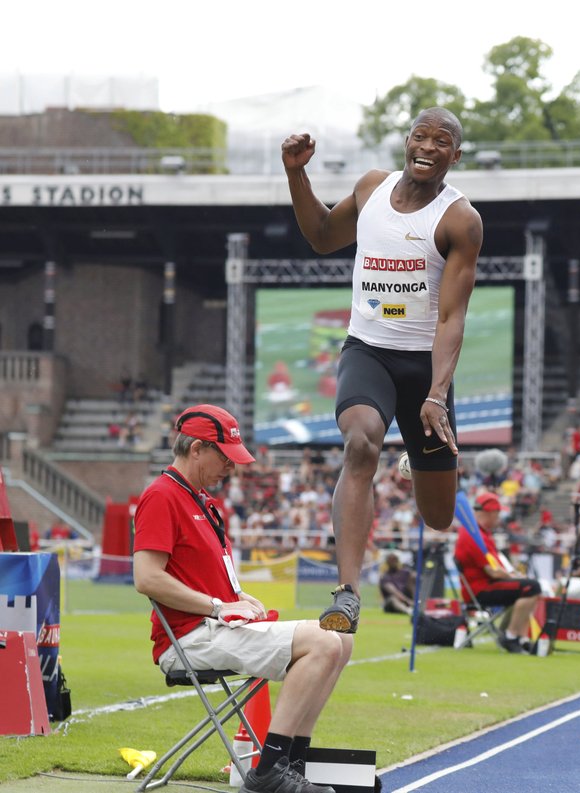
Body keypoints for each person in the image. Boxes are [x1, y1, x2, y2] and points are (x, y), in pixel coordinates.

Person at [282, 107, 483, 633]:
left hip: (425, 368)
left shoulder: (460, 220)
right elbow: (323, 235)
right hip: (367, 351)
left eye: (442, 142)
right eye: (421, 136)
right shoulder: (372, 188)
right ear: (407, 143)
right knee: (361, 444)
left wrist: (437, 393)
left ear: (454, 157)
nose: (428, 146)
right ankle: (347, 592)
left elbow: (452, 316)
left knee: (438, 518)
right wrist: (296, 174)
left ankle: (419, 460)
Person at [133, 404, 352, 793]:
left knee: (341, 641)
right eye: (225, 456)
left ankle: (293, 765)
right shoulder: (162, 496)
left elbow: (208, 578)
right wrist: (219, 606)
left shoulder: (202, 499)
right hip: (187, 638)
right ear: (196, 448)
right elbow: (147, 578)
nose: (231, 467)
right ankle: (269, 772)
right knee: (322, 642)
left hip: (212, 626)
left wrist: (238, 598)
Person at [454, 492, 541, 654]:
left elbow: (496, 567)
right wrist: (515, 577)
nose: (499, 518)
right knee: (531, 587)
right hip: (481, 590)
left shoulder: (479, 533)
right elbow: (493, 572)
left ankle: (520, 638)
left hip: (484, 586)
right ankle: (511, 636)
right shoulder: (473, 536)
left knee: (528, 587)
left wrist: (515, 577)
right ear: (489, 512)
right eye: (497, 513)